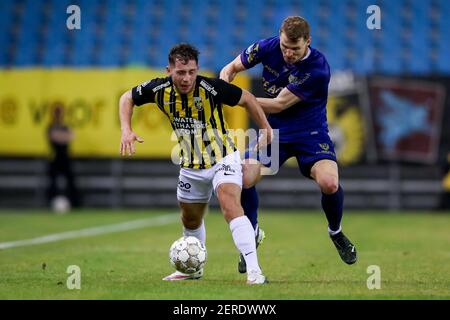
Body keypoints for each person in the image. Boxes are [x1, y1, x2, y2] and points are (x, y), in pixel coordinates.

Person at [119, 43, 272, 284]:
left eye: (191, 71)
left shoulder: (210, 88)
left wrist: (265, 128)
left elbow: (248, 99)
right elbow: (127, 97)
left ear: (197, 69)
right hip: (190, 165)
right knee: (190, 219)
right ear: (169, 70)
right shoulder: (158, 89)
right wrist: (126, 129)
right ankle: (192, 270)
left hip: (223, 157)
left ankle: (254, 270)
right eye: (180, 72)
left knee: (230, 205)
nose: (187, 78)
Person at [220, 16, 357, 273]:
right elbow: (230, 69)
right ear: (279, 37)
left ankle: (335, 232)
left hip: (311, 132)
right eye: (285, 46)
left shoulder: (317, 69)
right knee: (245, 176)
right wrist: (223, 84)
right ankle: (253, 233)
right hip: (275, 131)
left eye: (295, 48)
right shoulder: (267, 47)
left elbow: (278, 104)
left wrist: (237, 97)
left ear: (308, 42)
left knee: (329, 183)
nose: (288, 53)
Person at [46, 103, 80, 209]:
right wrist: (63, 136)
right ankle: (51, 202)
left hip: (65, 157)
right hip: (55, 157)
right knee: (52, 183)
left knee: (71, 181)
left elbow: (71, 136)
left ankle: (75, 203)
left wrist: (61, 136)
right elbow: (54, 137)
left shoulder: (64, 126)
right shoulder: (51, 126)